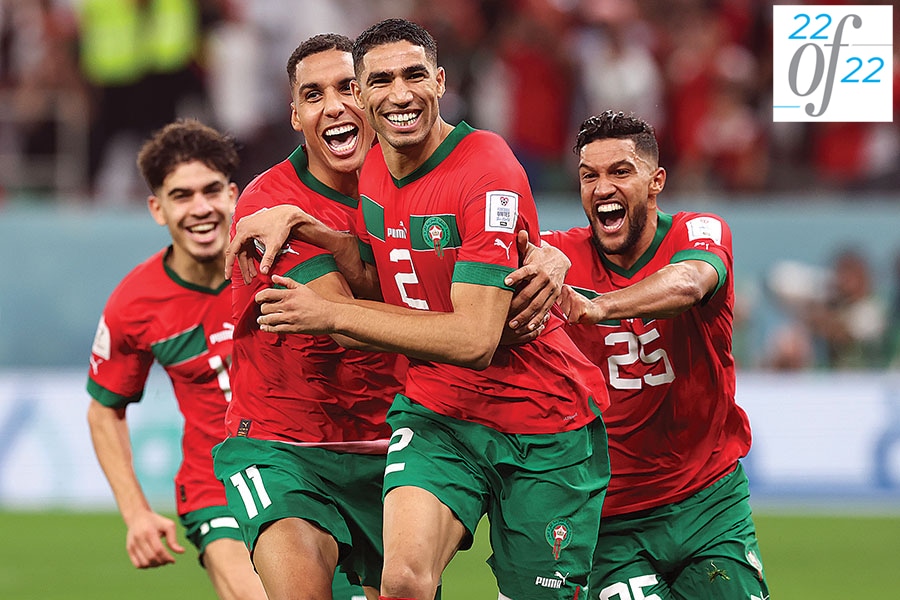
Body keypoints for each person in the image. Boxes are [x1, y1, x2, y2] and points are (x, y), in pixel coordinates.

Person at [251, 18, 611, 600]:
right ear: (365, 98)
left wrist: (331, 316)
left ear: (441, 82)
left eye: (415, 75)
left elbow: (475, 339)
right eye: (382, 81)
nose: (400, 94)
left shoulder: (487, 169)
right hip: (437, 411)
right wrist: (303, 222)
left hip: (541, 420)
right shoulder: (373, 168)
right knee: (403, 583)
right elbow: (379, 270)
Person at [530, 110, 769, 599]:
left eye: (620, 171)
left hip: (710, 502)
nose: (602, 188)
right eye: (589, 176)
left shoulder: (698, 231)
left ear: (656, 180)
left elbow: (689, 281)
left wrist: (598, 308)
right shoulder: (558, 254)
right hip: (608, 520)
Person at [210, 33, 403, 600]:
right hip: (284, 443)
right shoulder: (269, 205)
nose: (335, 106)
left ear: (372, 96)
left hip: (396, 450)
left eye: (348, 87)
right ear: (296, 116)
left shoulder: (412, 188)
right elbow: (343, 319)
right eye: (314, 95)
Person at [86, 119, 267, 600]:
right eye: (181, 196)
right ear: (157, 208)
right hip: (216, 488)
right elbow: (104, 408)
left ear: (234, 194)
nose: (201, 208)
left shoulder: (283, 264)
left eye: (211, 191)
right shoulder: (135, 304)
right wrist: (136, 513)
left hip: (310, 468)